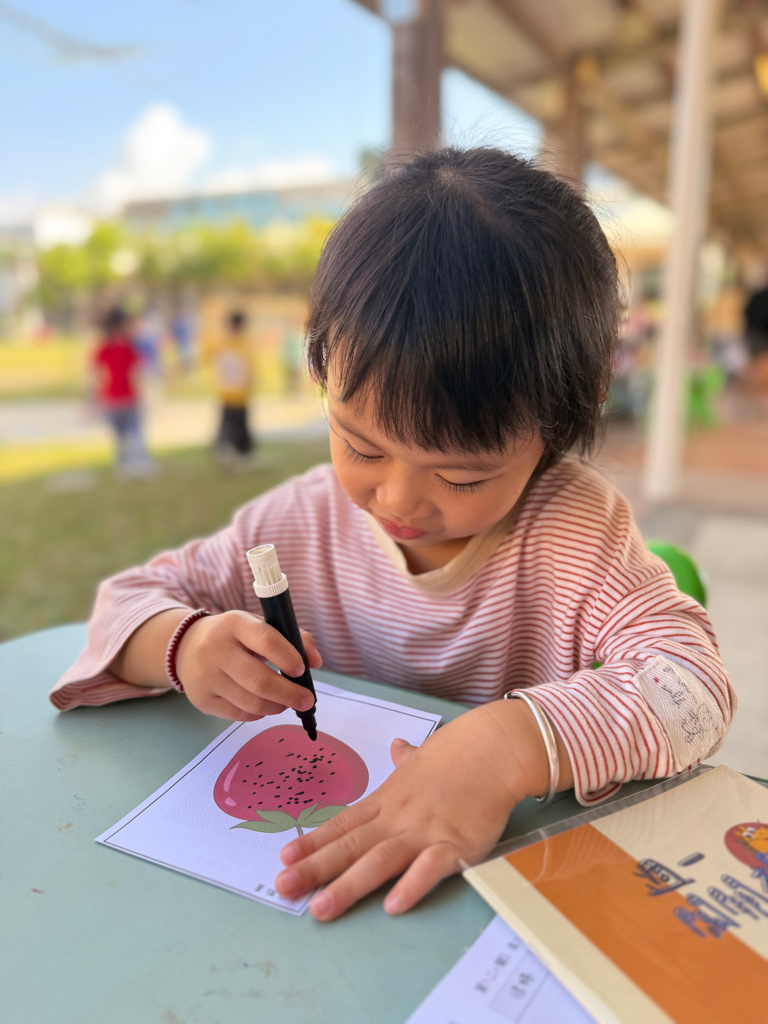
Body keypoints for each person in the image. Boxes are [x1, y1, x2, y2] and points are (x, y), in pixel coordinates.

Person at [53, 149, 734, 923]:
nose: (399, 498)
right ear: (322, 366)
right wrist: (183, 646)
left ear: (567, 412)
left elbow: (695, 688)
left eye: (463, 476)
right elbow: (125, 601)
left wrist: (508, 748)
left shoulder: (576, 534)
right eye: (361, 446)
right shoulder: (294, 526)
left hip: (490, 899)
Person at [91, 306, 154, 479]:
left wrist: (97, 399)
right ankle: (138, 464)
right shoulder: (129, 347)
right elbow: (136, 374)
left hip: (111, 398)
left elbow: (98, 376)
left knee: (121, 437)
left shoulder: (104, 348)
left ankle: (124, 465)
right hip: (127, 397)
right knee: (134, 433)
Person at [212, 310, 256, 465]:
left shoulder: (243, 345)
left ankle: (242, 452)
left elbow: (249, 369)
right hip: (228, 394)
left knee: (240, 426)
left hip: (239, 394)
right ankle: (227, 450)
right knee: (227, 426)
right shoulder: (224, 343)